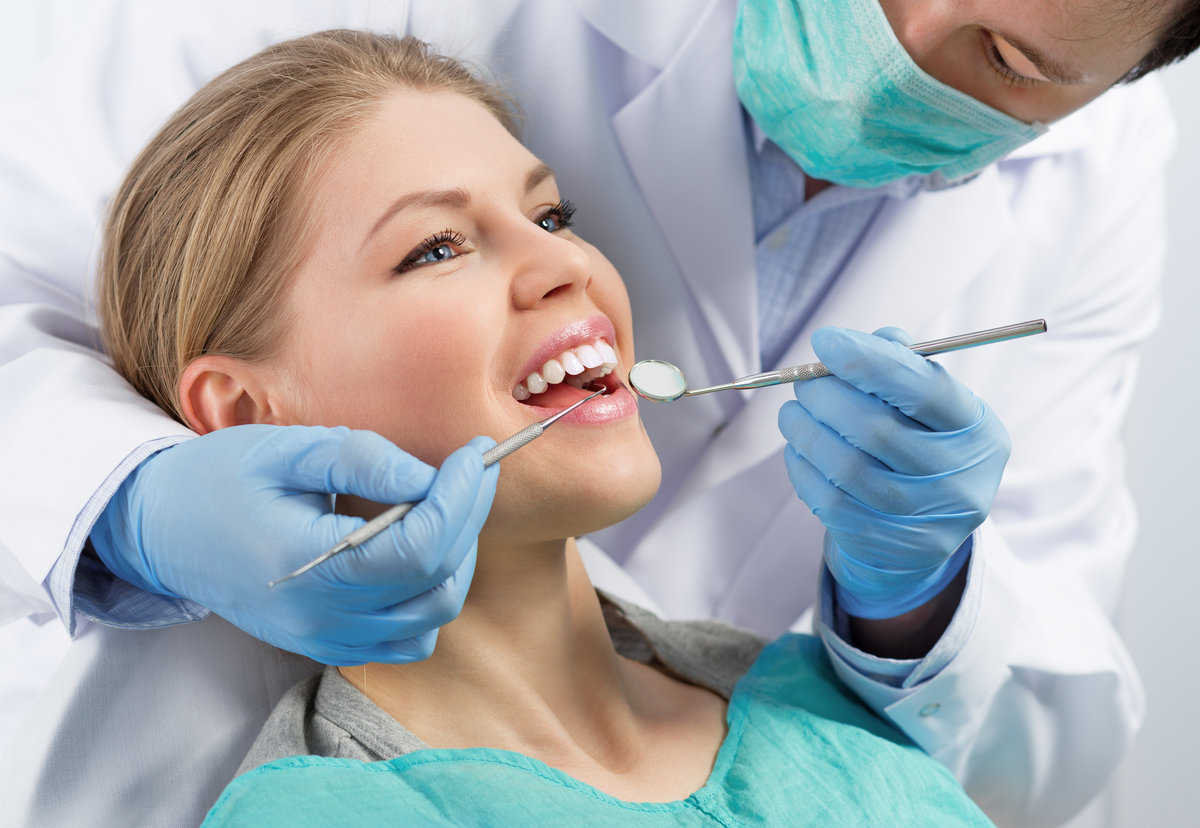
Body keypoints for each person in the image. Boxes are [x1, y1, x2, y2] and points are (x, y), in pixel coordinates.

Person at [1, 1, 1195, 825]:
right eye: (434, 247)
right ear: (241, 407)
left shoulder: (826, 736)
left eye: (557, 214)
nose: (567, 267)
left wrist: (917, 599)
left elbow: (1052, 716)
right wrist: (140, 506)